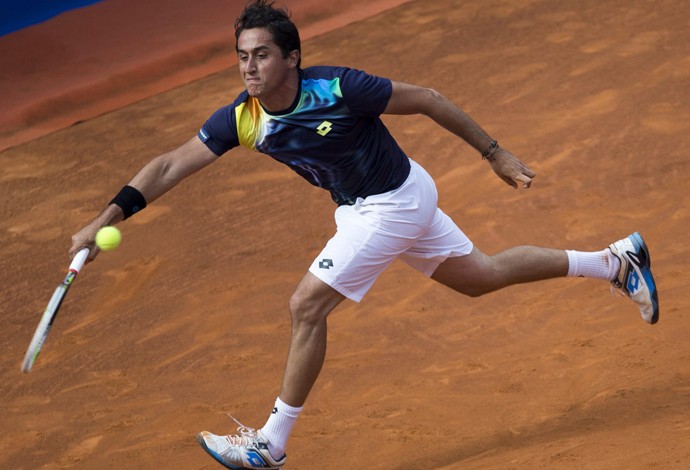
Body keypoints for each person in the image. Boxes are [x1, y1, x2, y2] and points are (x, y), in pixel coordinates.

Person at [69, 1, 659, 468]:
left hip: (394, 201)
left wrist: (495, 153)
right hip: (365, 207)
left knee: (306, 306)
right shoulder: (244, 119)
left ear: (292, 58)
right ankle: (615, 262)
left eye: (262, 55)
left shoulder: (340, 88)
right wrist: (106, 219)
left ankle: (270, 444)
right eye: (242, 56)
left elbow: (427, 99)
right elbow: (171, 164)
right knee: (481, 277)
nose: (249, 67)